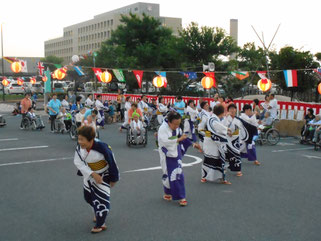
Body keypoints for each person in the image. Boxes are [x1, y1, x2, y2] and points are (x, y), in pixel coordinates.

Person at [73, 126, 119, 233]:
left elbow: (112, 162)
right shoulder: (80, 148)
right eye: (78, 139)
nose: (80, 142)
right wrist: (92, 174)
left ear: (91, 139)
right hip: (90, 174)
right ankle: (96, 212)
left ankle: (100, 224)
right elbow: (78, 162)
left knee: (101, 199)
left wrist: (113, 178)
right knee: (88, 197)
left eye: (82, 139)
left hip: (104, 175)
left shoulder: (103, 148)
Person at [157, 112, 201, 206]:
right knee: (167, 174)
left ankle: (181, 196)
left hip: (175, 152)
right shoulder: (162, 128)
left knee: (177, 174)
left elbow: (183, 137)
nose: (177, 126)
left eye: (178, 124)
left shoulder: (177, 128)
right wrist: (177, 140)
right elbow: (164, 141)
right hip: (166, 153)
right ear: (169, 122)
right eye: (175, 124)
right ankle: (168, 193)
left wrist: (193, 144)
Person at [202, 104, 232, 184]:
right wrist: (227, 130)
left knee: (215, 159)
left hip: (213, 142)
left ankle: (220, 178)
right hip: (212, 142)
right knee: (212, 159)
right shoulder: (213, 119)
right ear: (222, 112)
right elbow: (219, 127)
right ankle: (205, 176)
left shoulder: (214, 118)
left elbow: (221, 126)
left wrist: (226, 129)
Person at [222, 104, 242, 177]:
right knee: (226, 154)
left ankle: (238, 170)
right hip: (227, 139)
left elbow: (240, 129)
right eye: (230, 109)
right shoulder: (225, 118)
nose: (232, 110)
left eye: (233, 109)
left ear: (236, 110)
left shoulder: (238, 119)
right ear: (228, 110)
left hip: (235, 139)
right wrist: (227, 132)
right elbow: (223, 127)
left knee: (236, 154)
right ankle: (224, 167)